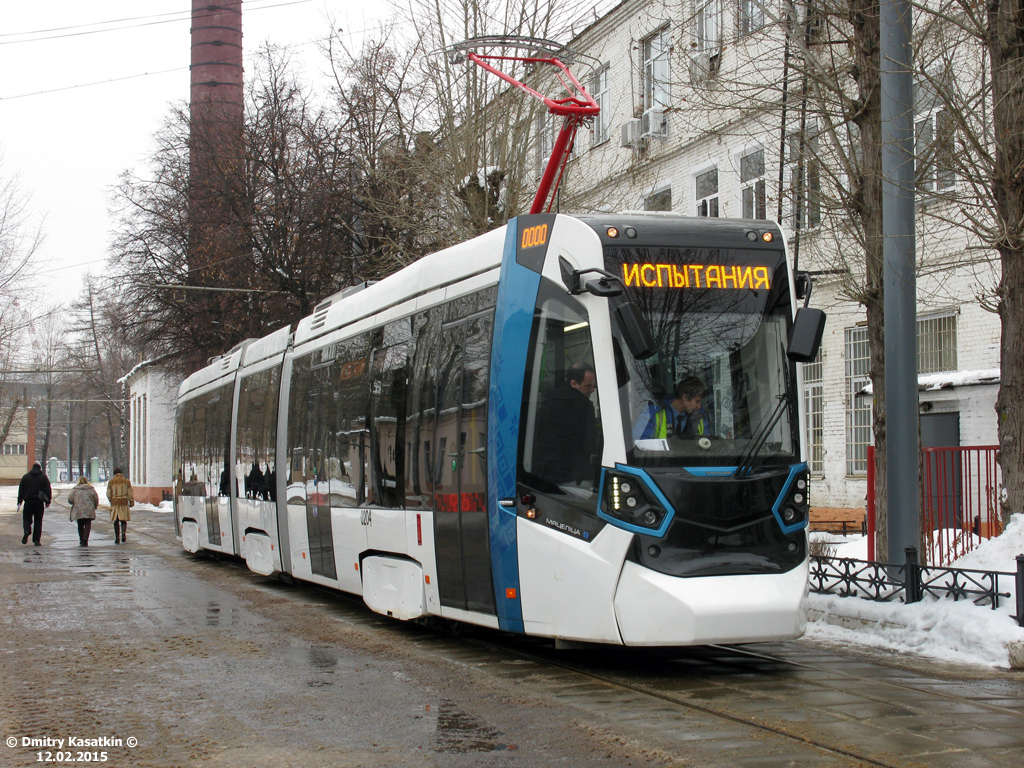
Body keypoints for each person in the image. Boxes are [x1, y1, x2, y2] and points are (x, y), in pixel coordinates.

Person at [533, 362, 599, 486]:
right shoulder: (584, 406)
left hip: (545, 473)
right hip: (574, 476)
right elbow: (589, 444)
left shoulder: (548, 399)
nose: (592, 390)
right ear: (573, 384)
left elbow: (539, 432)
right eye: (588, 386)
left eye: (593, 385)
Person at [634, 375, 711, 441]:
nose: (699, 406)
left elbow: (707, 445)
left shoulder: (699, 417)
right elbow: (641, 444)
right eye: (697, 401)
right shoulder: (653, 413)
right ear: (685, 397)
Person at [17, 462, 52, 545]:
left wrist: (19, 501)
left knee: (26, 519)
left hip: (28, 502)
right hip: (39, 503)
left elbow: (21, 490)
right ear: (40, 469)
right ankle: (36, 540)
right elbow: (48, 489)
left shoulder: (26, 477)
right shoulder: (43, 478)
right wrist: (48, 501)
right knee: (38, 521)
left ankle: (27, 531)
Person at [68, 475, 100, 547]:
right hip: (89, 509)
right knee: (88, 524)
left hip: (78, 510)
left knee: (80, 524)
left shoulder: (75, 490)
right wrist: (95, 506)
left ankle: (81, 539)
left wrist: (75, 503)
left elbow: (70, 499)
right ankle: (85, 539)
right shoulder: (91, 489)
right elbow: (95, 498)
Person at [106, 467, 135, 544]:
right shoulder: (126, 482)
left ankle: (117, 537)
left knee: (116, 520)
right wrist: (131, 501)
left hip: (115, 503)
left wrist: (111, 500)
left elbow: (108, 493)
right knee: (123, 519)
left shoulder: (111, 482)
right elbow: (130, 493)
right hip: (124, 502)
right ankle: (123, 534)